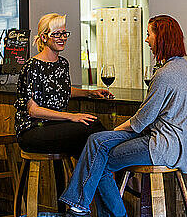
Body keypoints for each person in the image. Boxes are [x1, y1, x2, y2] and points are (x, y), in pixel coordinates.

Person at [47, 15, 187, 217]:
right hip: (167, 143)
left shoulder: (165, 74)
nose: (147, 40)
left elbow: (141, 120)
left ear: (162, 38)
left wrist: (116, 130)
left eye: (149, 34)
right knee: (97, 143)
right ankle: (84, 212)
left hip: (160, 146)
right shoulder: (183, 68)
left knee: (101, 158)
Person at [15, 13, 114, 157]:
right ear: (44, 37)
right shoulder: (32, 66)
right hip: (33, 130)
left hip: (56, 126)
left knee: (91, 140)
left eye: (64, 33)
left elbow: (62, 90)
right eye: (56, 34)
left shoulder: (62, 64)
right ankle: (115, 173)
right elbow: (33, 111)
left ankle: (94, 177)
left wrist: (89, 93)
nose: (62, 38)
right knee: (90, 129)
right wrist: (71, 116)